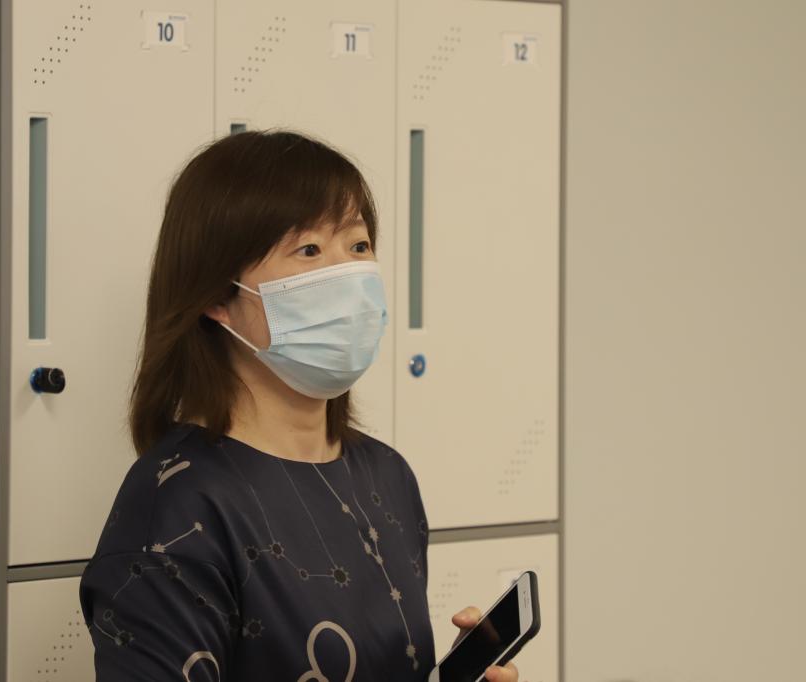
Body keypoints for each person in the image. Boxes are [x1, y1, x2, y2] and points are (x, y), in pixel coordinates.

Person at [78, 130, 520, 682]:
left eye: (358, 247)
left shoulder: (386, 477)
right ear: (217, 296)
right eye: (309, 250)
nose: (348, 276)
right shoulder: (177, 505)